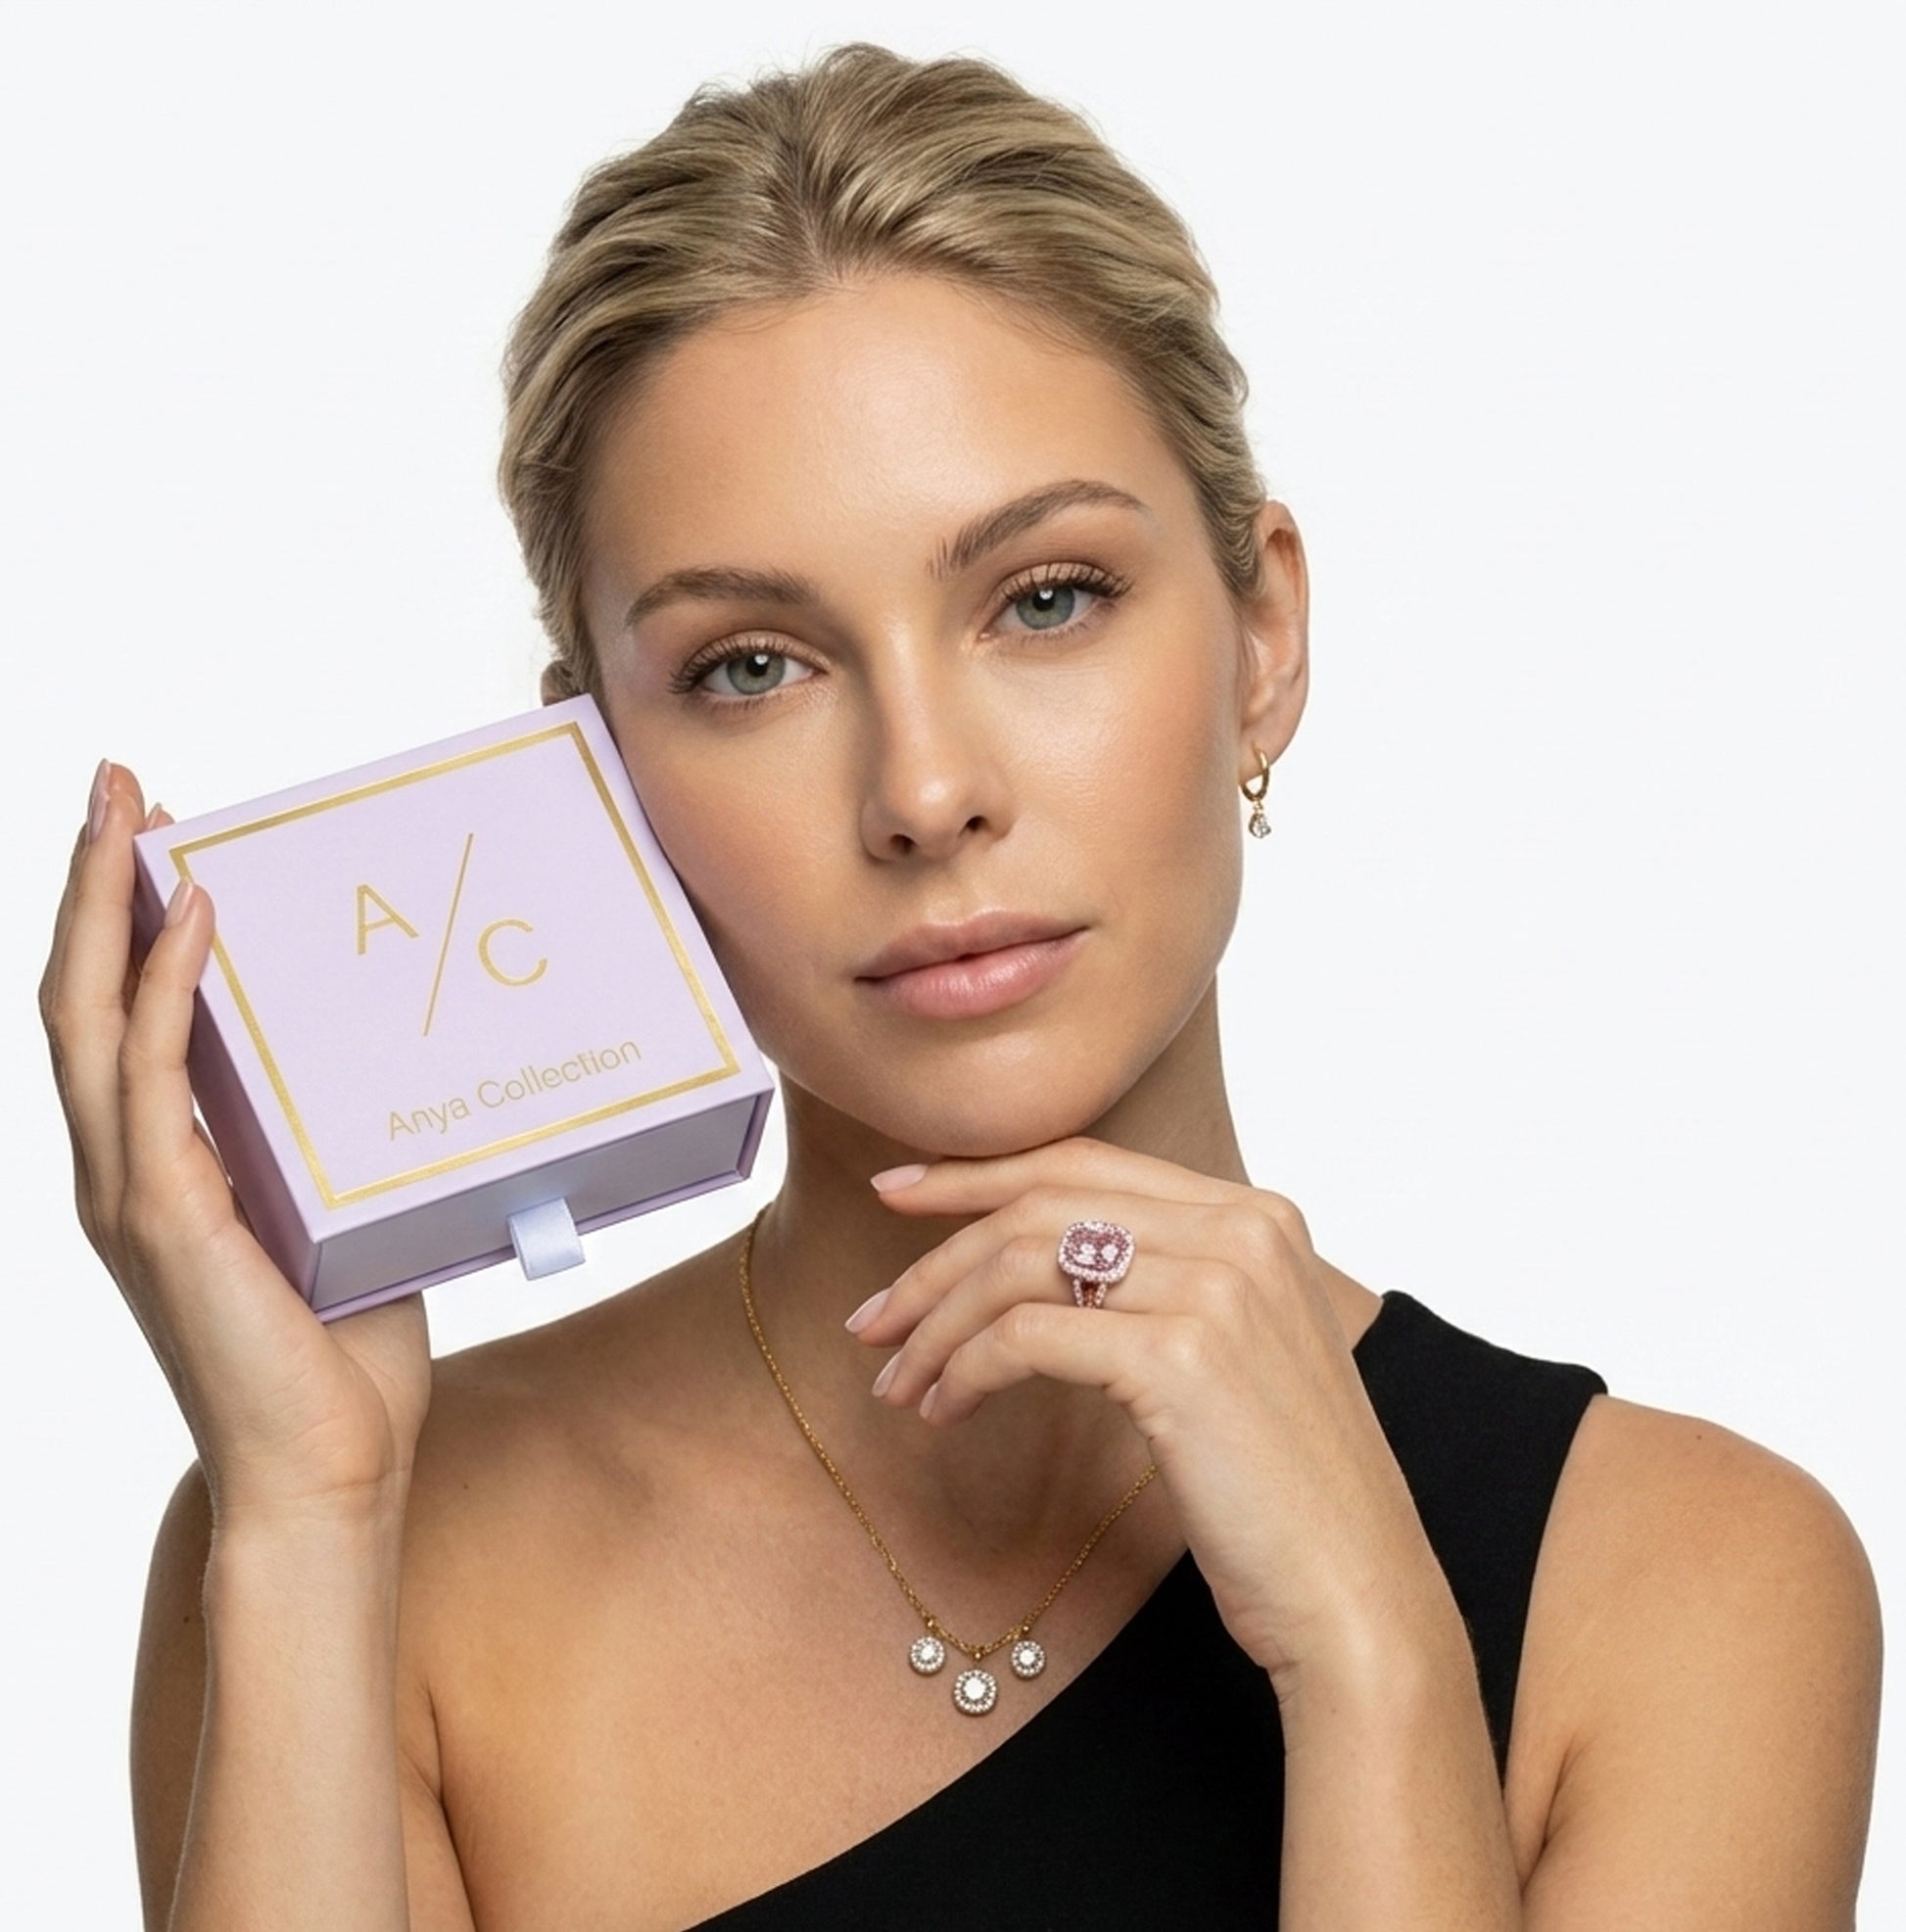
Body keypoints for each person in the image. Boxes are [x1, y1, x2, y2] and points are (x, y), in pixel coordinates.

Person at [42, 42, 1880, 1931]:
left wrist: (1372, 1646)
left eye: (1046, 597)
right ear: (590, 783)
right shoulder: (367, 1534)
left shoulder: (1688, 1584)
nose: (924, 792)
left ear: (1261, 637)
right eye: (752, 666)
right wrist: (305, 1517)